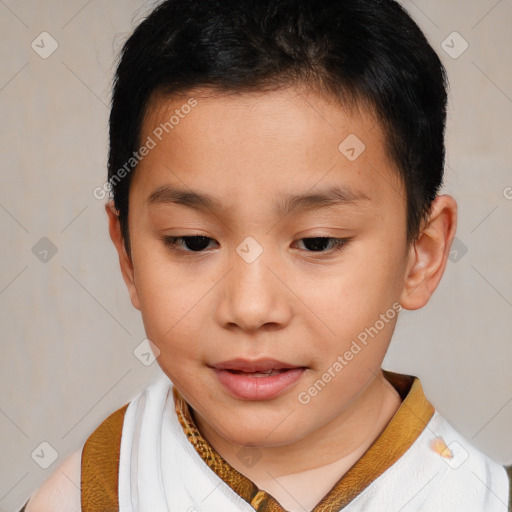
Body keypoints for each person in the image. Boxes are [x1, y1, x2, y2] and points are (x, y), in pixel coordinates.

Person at [22, 0, 511, 510]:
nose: (251, 308)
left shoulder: (478, 496)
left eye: (318, 242)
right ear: (127, 255)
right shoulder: (91, 492)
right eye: (193, 241)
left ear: (422, 254)